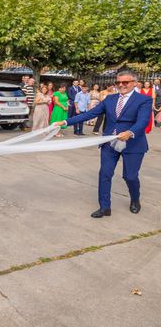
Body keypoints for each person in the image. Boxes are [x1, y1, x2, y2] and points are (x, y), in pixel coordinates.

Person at [53, 69, 153, 218]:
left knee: (130, 176)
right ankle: (105, 207)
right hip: (109, 143)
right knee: (105, 174)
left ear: (134, 83)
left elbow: (143, 121)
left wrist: (130, 132)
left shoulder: (144, 100)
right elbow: (90, 114)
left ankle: (135, 199)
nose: (121, 85)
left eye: (125, 82)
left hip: (133, 144)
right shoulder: (109, 99)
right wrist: (66, 121)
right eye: (118, 82)